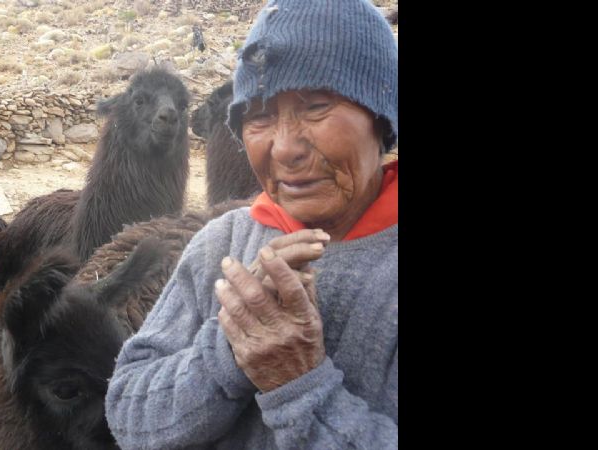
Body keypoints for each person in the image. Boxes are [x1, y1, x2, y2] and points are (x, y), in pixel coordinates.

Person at [105, 0, 398, 448]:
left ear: (380, 116)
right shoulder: (221, 242)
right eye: (259, 116)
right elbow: (128, 412)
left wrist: (299, 386)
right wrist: (228, 350)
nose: (284, 149)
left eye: (317, 106)